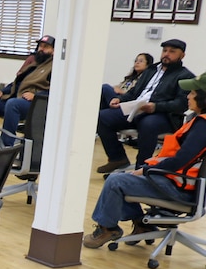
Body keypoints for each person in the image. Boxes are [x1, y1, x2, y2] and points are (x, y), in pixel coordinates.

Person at [84, 71, 206, 248]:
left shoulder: (202, 126)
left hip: (181, 190)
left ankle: (107, 228)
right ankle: (141, 226)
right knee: (126, 178)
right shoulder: (199, 122)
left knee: (116, 181)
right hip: (184, 185)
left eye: (193, 93)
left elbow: (181, 160)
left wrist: (147, 170)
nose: (188, 96)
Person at [95, 38, 194, 173]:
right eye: (164, 51)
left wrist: (156, 106)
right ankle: (117, 158)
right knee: (102, 117)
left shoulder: (185, 76)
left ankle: (141, 168)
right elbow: (134, 93)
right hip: (136, 109)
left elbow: (181, 104)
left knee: (148, 124)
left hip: (163, 115)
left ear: (182, 55)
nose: (166, 54)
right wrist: (120, 99)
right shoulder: (151, 69)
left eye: (172, 52)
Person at [0, 35, 55, 144]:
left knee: (12, 104)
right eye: (40, 46)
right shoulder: (34, 63)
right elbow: (18, 82)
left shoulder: (54, 67)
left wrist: (36, 95)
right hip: (16, 98)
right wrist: (3, 91)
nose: (41, 49)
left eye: (46, 47)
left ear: (53, 50)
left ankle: (6, 144)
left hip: (35, 103)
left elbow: (55, 90)